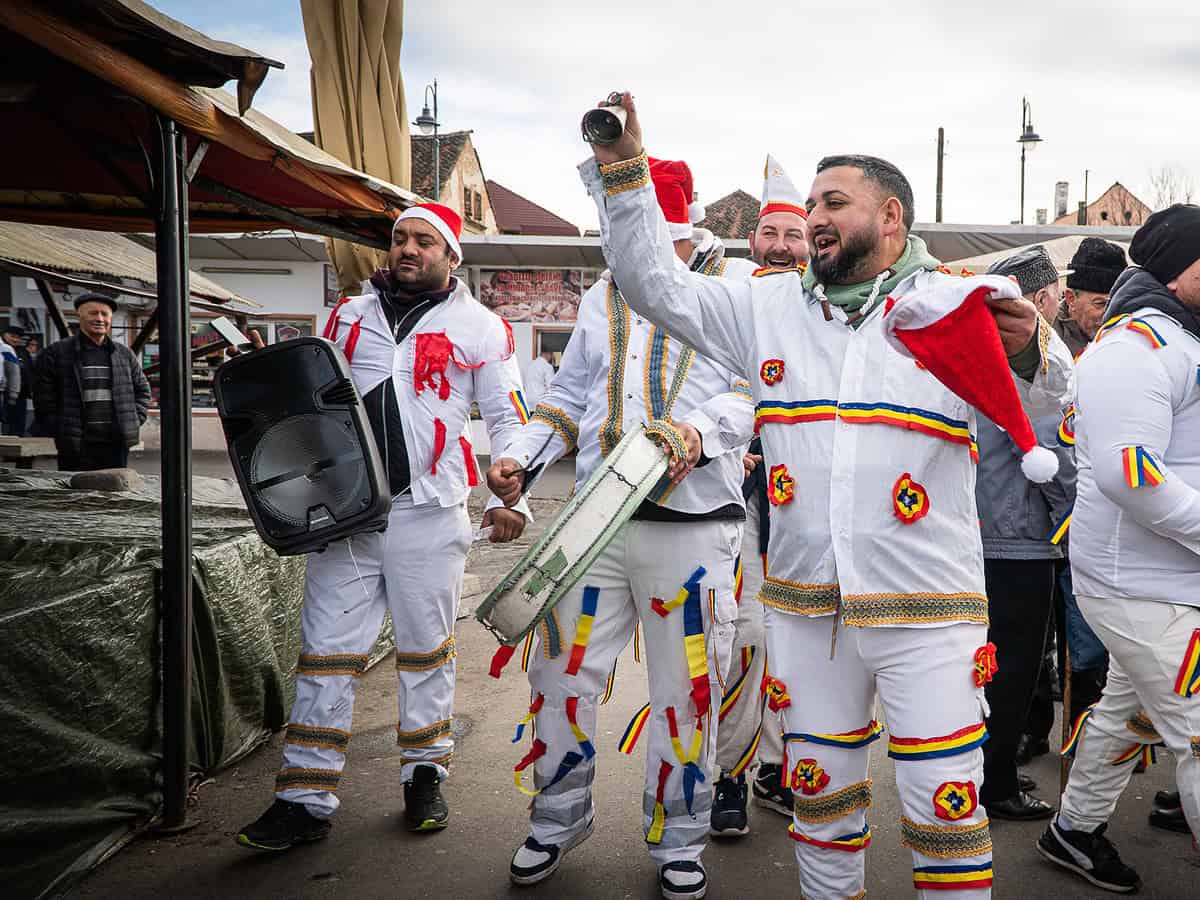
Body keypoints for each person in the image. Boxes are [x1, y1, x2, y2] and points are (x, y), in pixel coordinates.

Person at [578, 93, 1073, 900]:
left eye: (833, 203)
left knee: (943, 808)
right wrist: (623, 172)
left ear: (892, 218)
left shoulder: (954, 304)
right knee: (819, 795)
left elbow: (1055, 414)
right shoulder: (766, 307)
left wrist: (1034, 352)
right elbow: (651, 285)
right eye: (809, 205)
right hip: (808, 608)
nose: (813, 218)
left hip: (929, 609)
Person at [487, 157, 756, 900]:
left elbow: (751, 391)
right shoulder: (601, 294)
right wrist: (517, 458)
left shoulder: (730, 292)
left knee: (687, 686)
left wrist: (695, 434)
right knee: (561, 674)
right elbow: (570, 394)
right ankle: (555, 821)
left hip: (694, 525)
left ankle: (680, 838)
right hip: (596, 520)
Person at [236, 202, 531, 850]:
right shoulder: (347, 316)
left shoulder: (482, 327)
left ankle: (424, 774)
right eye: (400, 238)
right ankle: (303, 799)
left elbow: (508, 417)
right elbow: (304, 407)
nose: (408, 249)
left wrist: (512, 486)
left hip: (429, 514)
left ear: (452, 256)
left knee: (426, 653)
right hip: (344, 515)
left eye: (424, 240)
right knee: (326, 655)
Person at [1037, 204, 1200, 893]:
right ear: (1178, 267)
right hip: (1138, 585)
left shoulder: (1181, 338)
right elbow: (1129, 473)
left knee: (1126, 712)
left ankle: (1071, 830)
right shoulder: (1136, 346)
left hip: (1168, 580)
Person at [710, 154, 809, 838]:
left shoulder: (829, 312)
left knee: (804, 648)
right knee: (745, 641)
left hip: (810, 512)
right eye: (770, 233)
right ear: (754, 243)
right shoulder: (730, 306)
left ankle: (780, 766)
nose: (779, 245)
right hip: (742, 500)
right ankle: (729, 777)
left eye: (792, 235)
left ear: (810, 246)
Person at [973, 247, 1075, 821]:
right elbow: (1048, 444)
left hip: (989, 525)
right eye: (1057, 294)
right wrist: (1072, 514)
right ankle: (997, 782)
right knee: (1012, 667)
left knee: (989, 664)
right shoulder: (1032, 355)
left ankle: (979, 774)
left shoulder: (977, 349)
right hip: (1020, 532)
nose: (1059, 304)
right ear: (1037, 299)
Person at [33, 293, 149, 470]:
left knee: (114, 494)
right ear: (79, 316)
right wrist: (58, 427)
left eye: (105, 314)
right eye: (93, 313)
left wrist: (133, 419)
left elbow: (142, 390)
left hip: (115, 443)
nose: (100, 318)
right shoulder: (56, 353)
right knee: (76, 494)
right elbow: (43, 397)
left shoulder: (124, 354)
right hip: (76, 444)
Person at [1054, 237, 1129, 358]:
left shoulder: (1131, 333)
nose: (1109, 314)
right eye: (1100, 304)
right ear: (1071, 299)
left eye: (1116, 304)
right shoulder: (1046, 337)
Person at [2, 324, 34, 436]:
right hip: (4, 393)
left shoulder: (23, 352)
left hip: (21, 394)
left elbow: (30, 371)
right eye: (12, 336)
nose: (15, 339)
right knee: (5, 424)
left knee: (19, 426)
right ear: (4, 334)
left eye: (18, 337)